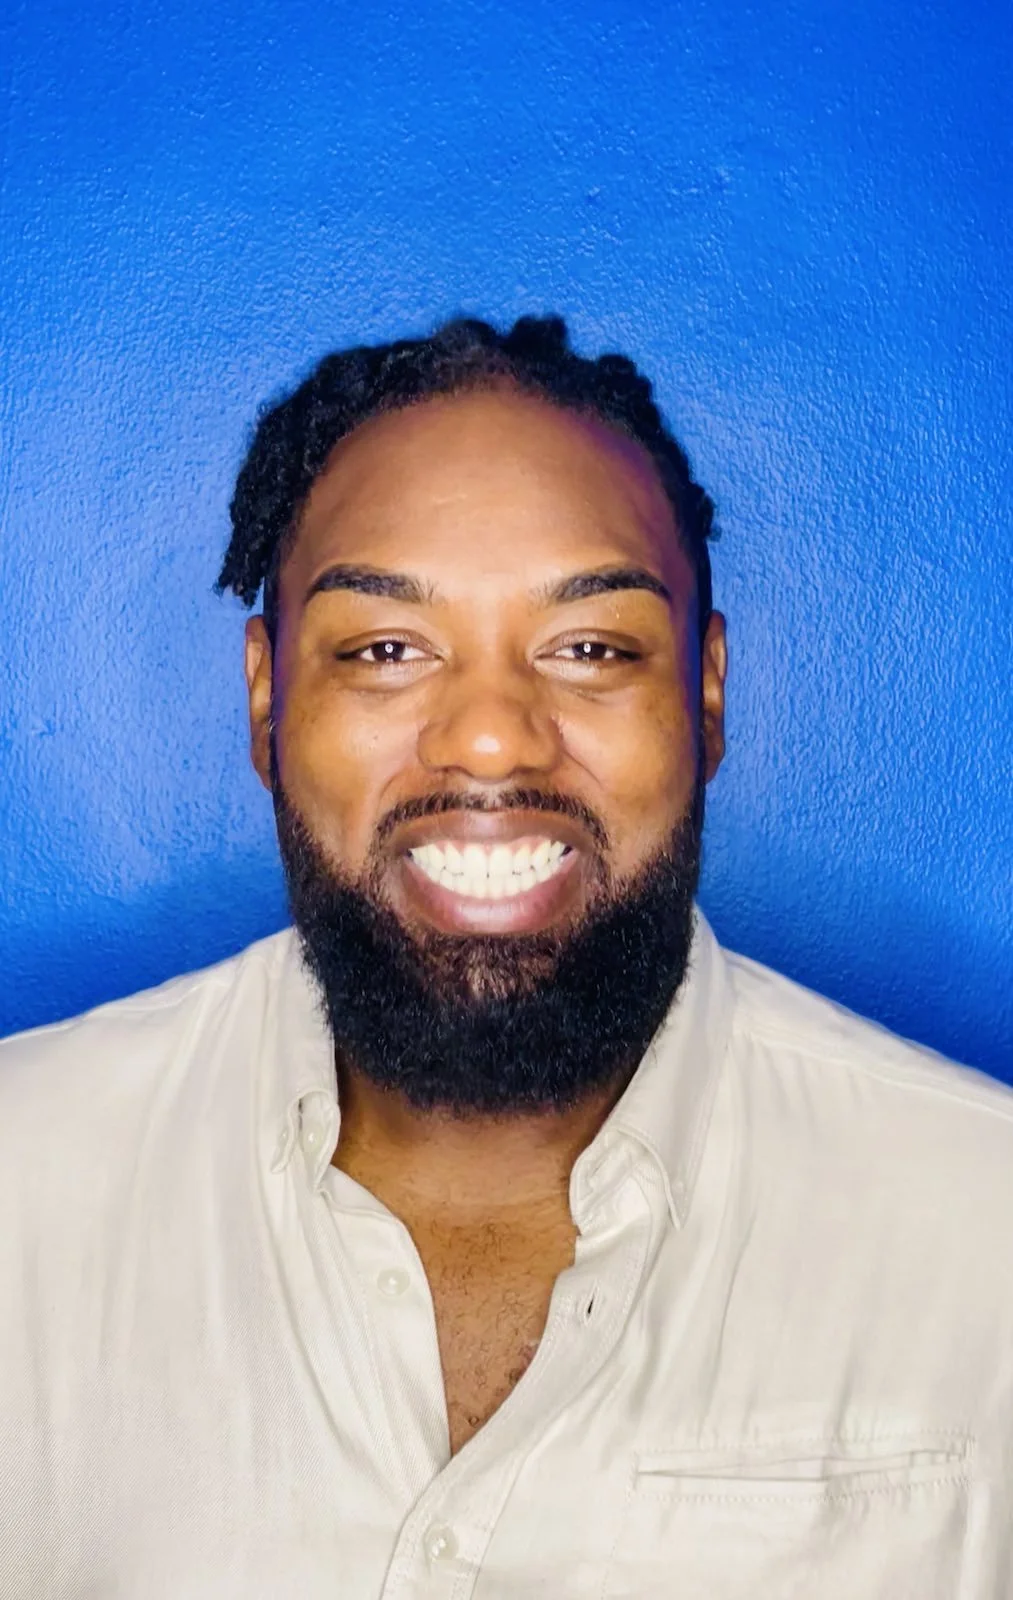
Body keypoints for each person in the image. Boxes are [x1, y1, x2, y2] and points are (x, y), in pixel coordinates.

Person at [1, 314, 1011, 1598]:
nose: (489, 741)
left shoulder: (988, 1236)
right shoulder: (17, 1191)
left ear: (704, 692)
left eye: (589, 648)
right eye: (383, 649)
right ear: (266, 698)